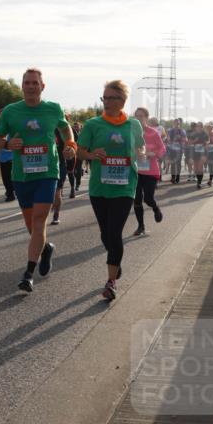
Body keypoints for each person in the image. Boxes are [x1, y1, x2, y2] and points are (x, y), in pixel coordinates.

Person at [0, 68, 76, 293]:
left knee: (39, 221)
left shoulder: (53, 108)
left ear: (43, 86)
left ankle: (28, 273)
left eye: (34, 83)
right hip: (21, 176)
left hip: (47, 172)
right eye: (27, 82)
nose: (30, 86)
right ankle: (46, 248)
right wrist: (8, 145)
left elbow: (65, 127)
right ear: (22, 86)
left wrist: (70, 145)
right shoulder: (11, 111)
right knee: (32, 226)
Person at [78, 81, 145, 301]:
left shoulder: (133, 125)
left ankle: (111, 281)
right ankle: (115, 263)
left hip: (125, 186)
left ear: (122, 101)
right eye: (104, 98)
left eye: (111, 98)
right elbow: (80, 152)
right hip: (99, 187)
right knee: (106, 234)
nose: (106, 102)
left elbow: (140, 146)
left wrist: (141, 154)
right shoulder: (92, 124)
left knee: (115, 232)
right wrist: (91, 155)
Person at [132, 108, 165, 234]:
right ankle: (141, 226)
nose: (138, 118)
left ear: (146, 117)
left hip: (150, 171)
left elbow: (162, 149)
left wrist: (153, 153)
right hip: (135, 170)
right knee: (137, 199)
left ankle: (155, 208)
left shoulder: (153, 133)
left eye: (141, 116)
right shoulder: (131, 132)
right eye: (136, 116)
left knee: (148, 199)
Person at [0, 108, 15, 202]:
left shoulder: (14, 127)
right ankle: (10, 192)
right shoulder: (1, 127)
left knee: (12, 177)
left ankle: (11, 193)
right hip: (3, 157)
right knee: (5, 178)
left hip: (12, 157)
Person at [190, 121, 209, 188]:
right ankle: (198, 180)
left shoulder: (205, 134)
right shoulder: (193, 134)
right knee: (196, 169)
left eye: (200, 126)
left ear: (202, 127)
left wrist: (206, 154)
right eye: (197, 126)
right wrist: (195, 140)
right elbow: (190, 143)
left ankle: (199, 182)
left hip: (202, 153)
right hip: (195, 153)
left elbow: (207, 143)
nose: (198, 127)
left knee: (200, 168)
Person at [166, 119, 186, 183]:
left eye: (178, 124)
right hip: (172, 149)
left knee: (178, 163)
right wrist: (170, 139)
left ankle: (178, 176)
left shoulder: (182, 131)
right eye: (176, 123)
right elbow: (168, 139)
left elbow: (185, 139)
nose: (177, 125)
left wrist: (180, 138)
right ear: (173, 123)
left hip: (179, 149)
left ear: (179, 124)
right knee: (172, 163)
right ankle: (173, 177)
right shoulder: (170, 130)